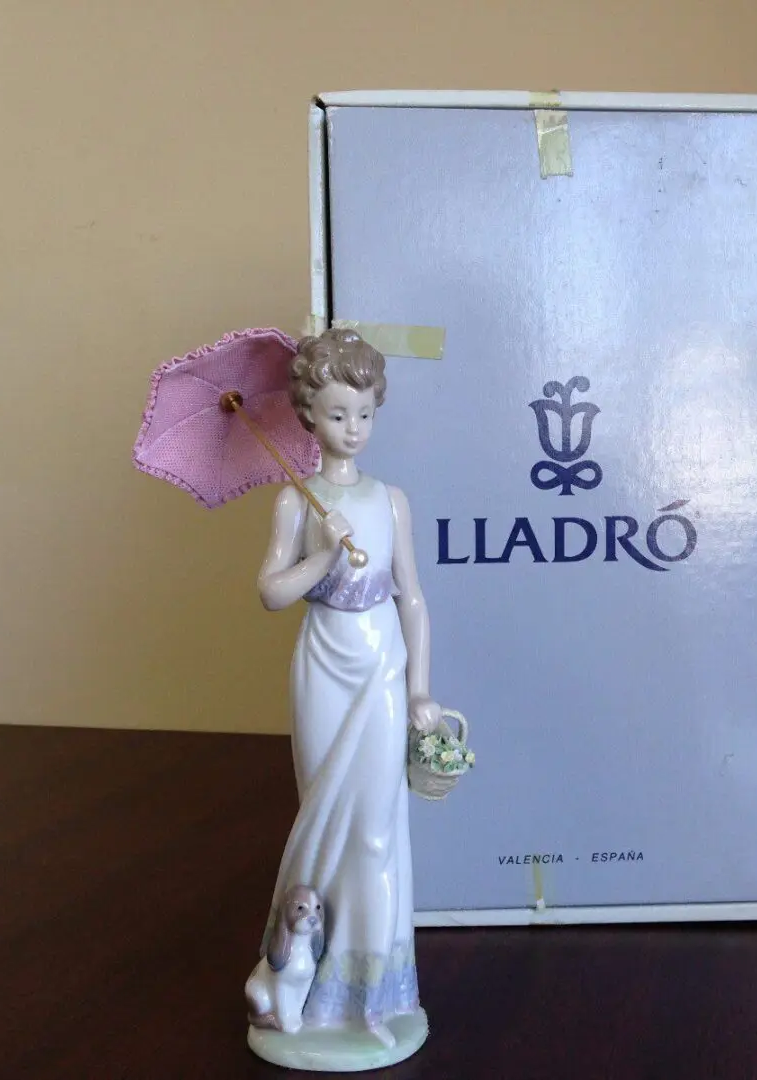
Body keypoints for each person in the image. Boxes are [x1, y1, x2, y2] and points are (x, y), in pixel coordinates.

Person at [254, 328, 440, 1048]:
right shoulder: (295, 502)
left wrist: (419, 690)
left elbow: (412, 598)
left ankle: (375, 990)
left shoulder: (391, 501)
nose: (353, 428)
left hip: (380, 665)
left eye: (364, 413)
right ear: (309, 415)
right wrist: (323, 555)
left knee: (375, 828)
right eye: (337, 414)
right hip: (322, 666)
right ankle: (306, 977)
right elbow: (272, 593)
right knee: (321, 818)